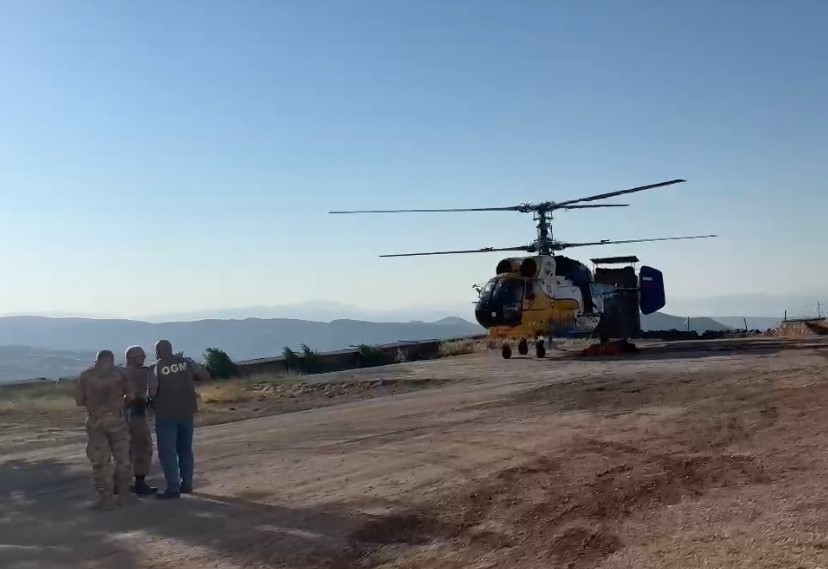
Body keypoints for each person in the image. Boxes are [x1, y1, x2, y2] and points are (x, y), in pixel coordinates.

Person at [74, 349, 138, 510]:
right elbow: (131, 395)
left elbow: (79, 401)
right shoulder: (121, 374)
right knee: (123, 459)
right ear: (111, 359)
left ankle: (105, 499)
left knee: (100, 461)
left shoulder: (86, 375)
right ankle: (124, 496)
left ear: (97, 360)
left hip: (95, 421)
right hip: (117, 419)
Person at [148, 339, 210, 500]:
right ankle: (187, 484)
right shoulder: (186, 362)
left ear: (157, 351)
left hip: (166, 414)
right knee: (185, 449)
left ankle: (173, 488)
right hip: (187, 411)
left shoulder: (155, 367)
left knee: (168, 451)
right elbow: (204, 375)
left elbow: (153, 392)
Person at [119, 345, 158, 496]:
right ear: (132, 358)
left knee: (123, 450)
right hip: (137, 414)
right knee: (143, 448)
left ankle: (119, 483)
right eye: (141, 356)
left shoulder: (118, 373)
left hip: (120, 416)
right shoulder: (144, 373)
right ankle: (140, 483)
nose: (144, 358)